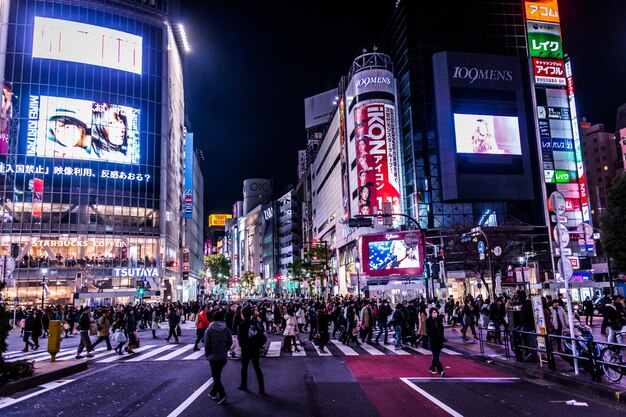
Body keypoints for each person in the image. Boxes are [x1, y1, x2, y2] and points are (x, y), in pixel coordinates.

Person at [205, 309, 232, 406]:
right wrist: (226, 349)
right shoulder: (226, 329)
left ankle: (223, 395)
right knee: (217, 375)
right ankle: (212, 392)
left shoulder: (209, 330)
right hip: (223, 355)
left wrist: (207, 354)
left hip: (213, 356)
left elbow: (207, 344)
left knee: (215, 377)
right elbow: (230, 342)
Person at [237, 306, 266, 396]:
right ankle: (262, 389)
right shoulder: (254, 323)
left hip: (246, 348)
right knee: (257, 368)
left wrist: (242, 345)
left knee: (244, 368)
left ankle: (244, 384)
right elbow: (261, 333)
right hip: (255, 348)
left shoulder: (242, 325)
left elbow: (240, 338)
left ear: (243, 315)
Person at [426, 308, 445, 377]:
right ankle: (441, 371)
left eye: (436, 312)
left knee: (436, 357)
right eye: (433, 312)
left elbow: (442, 329)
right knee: (436, 357)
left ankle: (431, 367)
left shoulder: (439, 320)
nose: (435, 314)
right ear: (431, 314)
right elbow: (428, 331)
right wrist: (432, 337)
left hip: (439, 341)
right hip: (433, 341)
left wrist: (442, 338)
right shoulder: (428, 321)